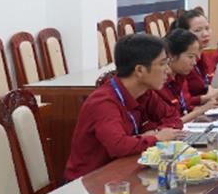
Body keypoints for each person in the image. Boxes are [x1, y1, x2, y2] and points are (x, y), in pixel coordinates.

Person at [64, 34, 183, 180]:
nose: (168, 70)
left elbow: (173, 117)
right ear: (139, 70)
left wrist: (156, 133)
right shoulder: (103, 102)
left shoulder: (145, 92)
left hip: (127, 169)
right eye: (162, 64)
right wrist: (156, 138)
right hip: (92, 181)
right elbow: (119, 146)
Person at [150, 28, 218, 124]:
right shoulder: (158, 83)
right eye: (190, 57)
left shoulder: (181, 78)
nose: (194, 62)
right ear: (172, 56)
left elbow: (185, 107)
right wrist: (201, 110)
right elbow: (169, 123)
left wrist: (200, 113)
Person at [175, 8, 218, 102]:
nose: (205, 34)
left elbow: (213, 89)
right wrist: (205, 98)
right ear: (184, 34)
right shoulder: (181, 63)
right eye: (197, 30)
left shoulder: (207, 58)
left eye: (207, 28)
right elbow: (182, 102)